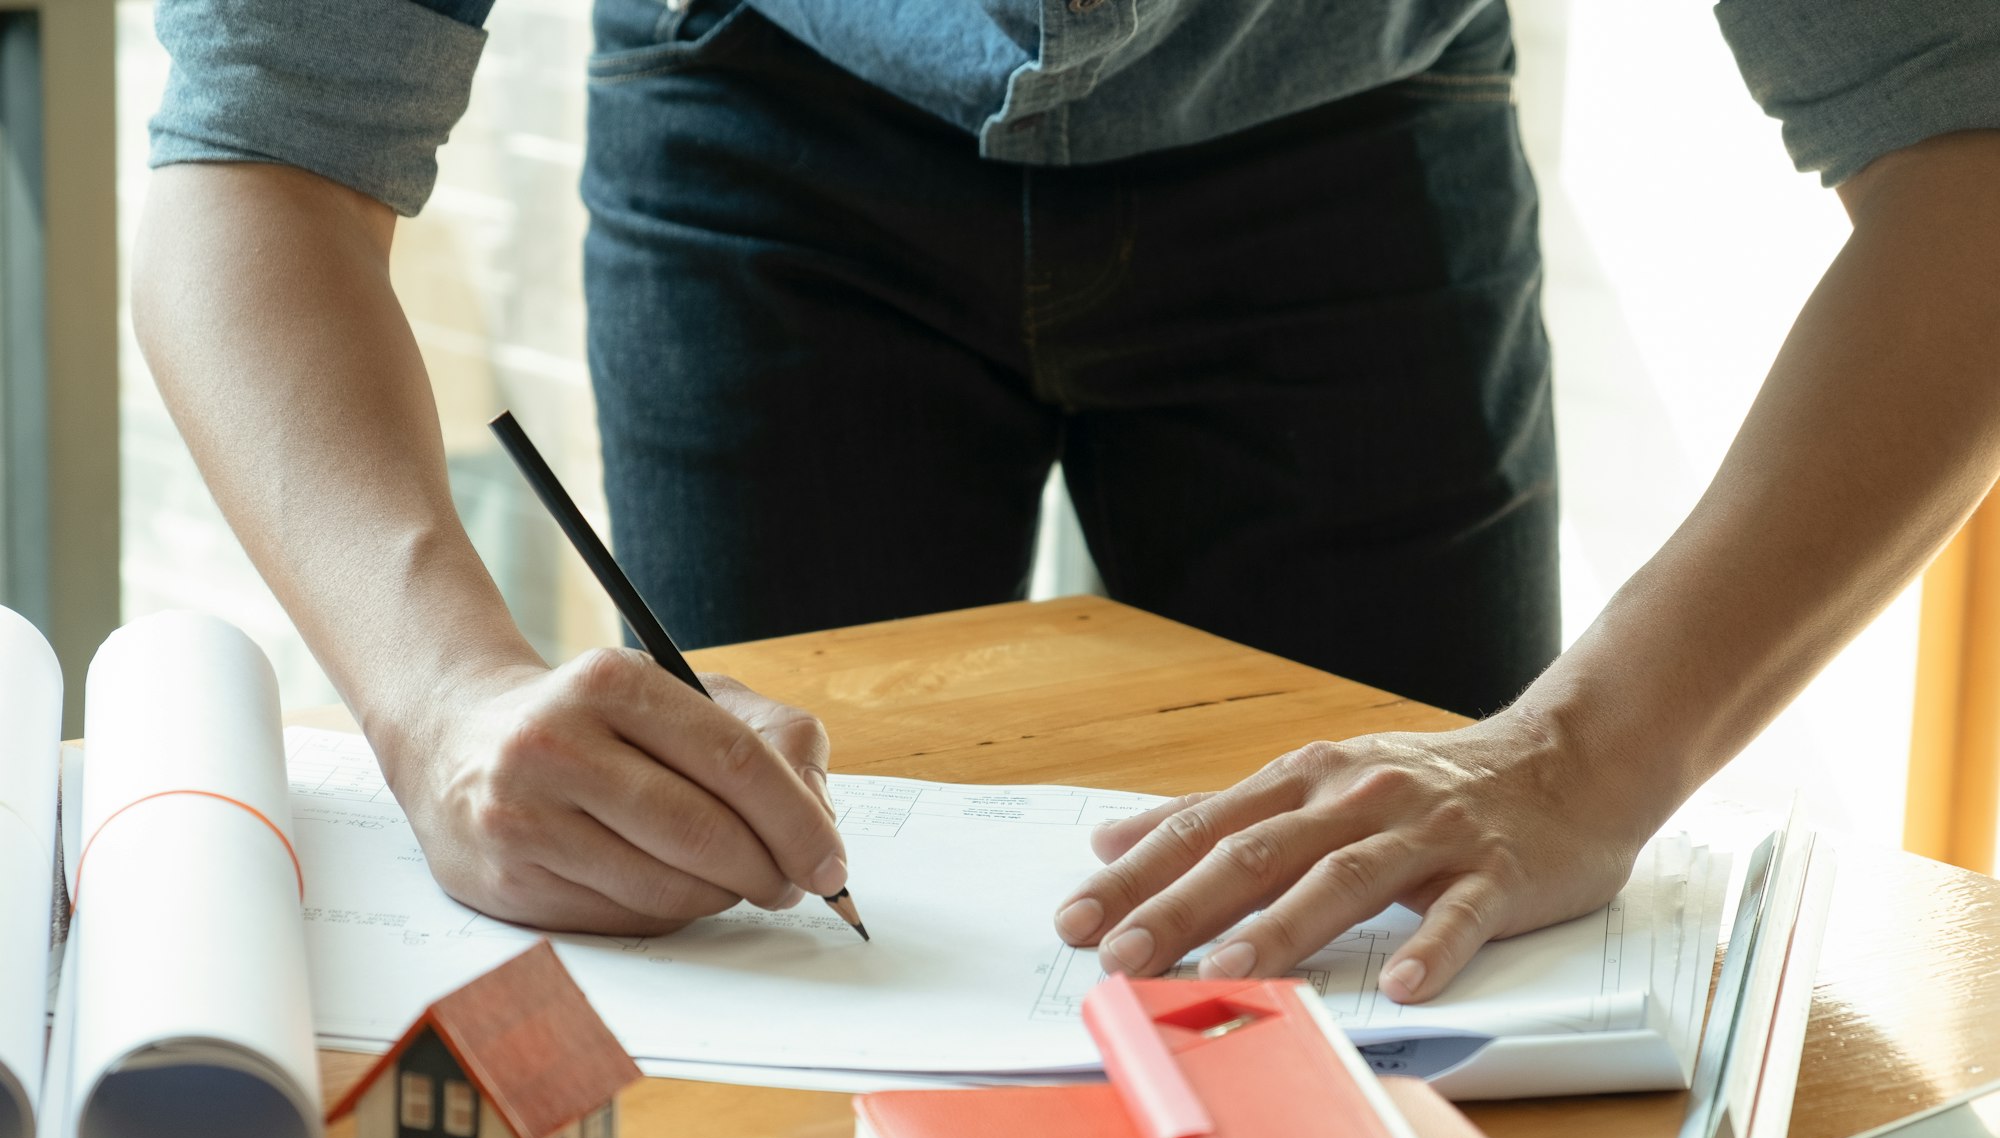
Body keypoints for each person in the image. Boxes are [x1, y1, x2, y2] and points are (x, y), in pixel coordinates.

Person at [135, 0, 2000, 1002]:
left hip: (1351, 112)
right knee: (737, 937)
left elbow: (1970, 153)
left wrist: (1589, 758)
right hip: (764, 92)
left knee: (1409, 984)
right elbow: (256, 149)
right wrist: (440, 693)